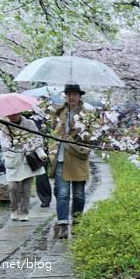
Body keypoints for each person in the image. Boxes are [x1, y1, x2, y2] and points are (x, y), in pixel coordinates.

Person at [48, 84, 91, 239]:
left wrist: (72, 137)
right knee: (63, 193)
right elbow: (53, 131)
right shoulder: (59, 112)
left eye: (74, 94)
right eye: (68, 94)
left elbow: (91, 137)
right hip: (61, 157)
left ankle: (77, 221)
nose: (71, 97)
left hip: (78, 157)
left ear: (80, 96)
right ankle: (63, 224)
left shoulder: (87, 114)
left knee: (79, 194)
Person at [0, 111, 46, 221]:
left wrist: (37, 151)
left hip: (27, 160)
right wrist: (13, 143)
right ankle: (14, 209)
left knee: (26, 189)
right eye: (9, 114)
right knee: (13, 188)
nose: (12, 116)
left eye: (14, 114)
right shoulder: (4, 125)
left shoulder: (29, 124)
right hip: (13, 159)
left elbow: (38, 139)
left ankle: (24, 212)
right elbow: (2, 142)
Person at [29, 112, 53, 208]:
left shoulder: (45, 117)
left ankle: (45, 199)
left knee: (41, 177)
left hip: (41, 151)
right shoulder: (26, 119)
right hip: (26, 150)